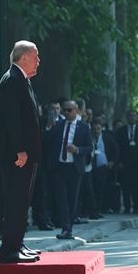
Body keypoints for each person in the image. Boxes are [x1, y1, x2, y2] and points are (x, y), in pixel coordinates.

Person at [0, 41, 43, 264]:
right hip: (19, 155)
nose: (39, 61)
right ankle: (9, 250)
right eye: (36, 56)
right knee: (16, 200)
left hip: (29, 154)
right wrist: (20, 150)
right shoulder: (12, 80)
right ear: (23, 57)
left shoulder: (23, 80)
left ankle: (18, 243)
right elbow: (13, 120)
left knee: (23, 201)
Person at [46, 100, 92, 240]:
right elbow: (47, 142)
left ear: (76, 110)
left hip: (74, 167)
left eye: (69, 110)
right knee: (61, 198)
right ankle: (65, 227)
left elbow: (89, 148)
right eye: (64, 110)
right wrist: (48, 128)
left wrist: (77, 150)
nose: (66, 112)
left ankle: (69, 228)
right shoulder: (58, 125)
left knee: (72, 199)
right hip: (60, 166)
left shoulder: (83, 127)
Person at [115, 110, 138, 213]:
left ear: (137, 118)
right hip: (125, 163)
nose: (132, 118)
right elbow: (118, 148)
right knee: (125, 186)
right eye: (130, 116)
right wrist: (119, 161)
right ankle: (127, 207)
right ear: (127, 117)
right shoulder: (121, 131)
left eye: (134, 116)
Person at [89, 117, 118, 218]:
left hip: (103, 167)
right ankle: (91, 210)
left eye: (98, 129)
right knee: (91, 189)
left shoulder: (107, 137)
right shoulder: (89, 137)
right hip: (91, 167)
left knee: (100, 190)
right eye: (94, 129)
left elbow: (116, 150)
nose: (96, 131)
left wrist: (112, 162)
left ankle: (98, 210)